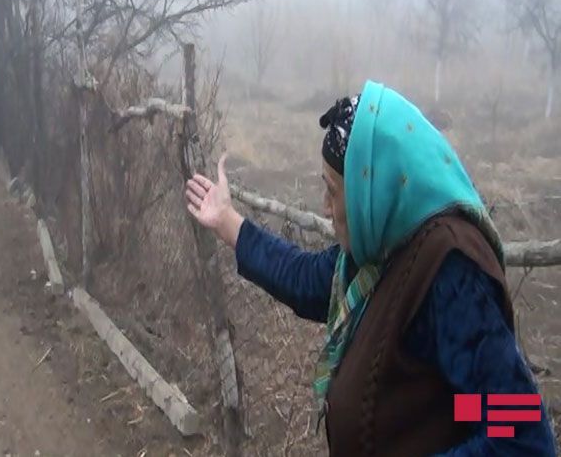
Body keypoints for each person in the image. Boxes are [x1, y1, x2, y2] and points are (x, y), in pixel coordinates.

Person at [185, 81, 557, 456]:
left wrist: (451, 417)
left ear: (371, 188)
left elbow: (520, 434)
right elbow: (307, 278)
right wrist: (229, 223)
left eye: (333, 190)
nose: (326, 207)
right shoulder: (382, 248)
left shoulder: (450, 273)